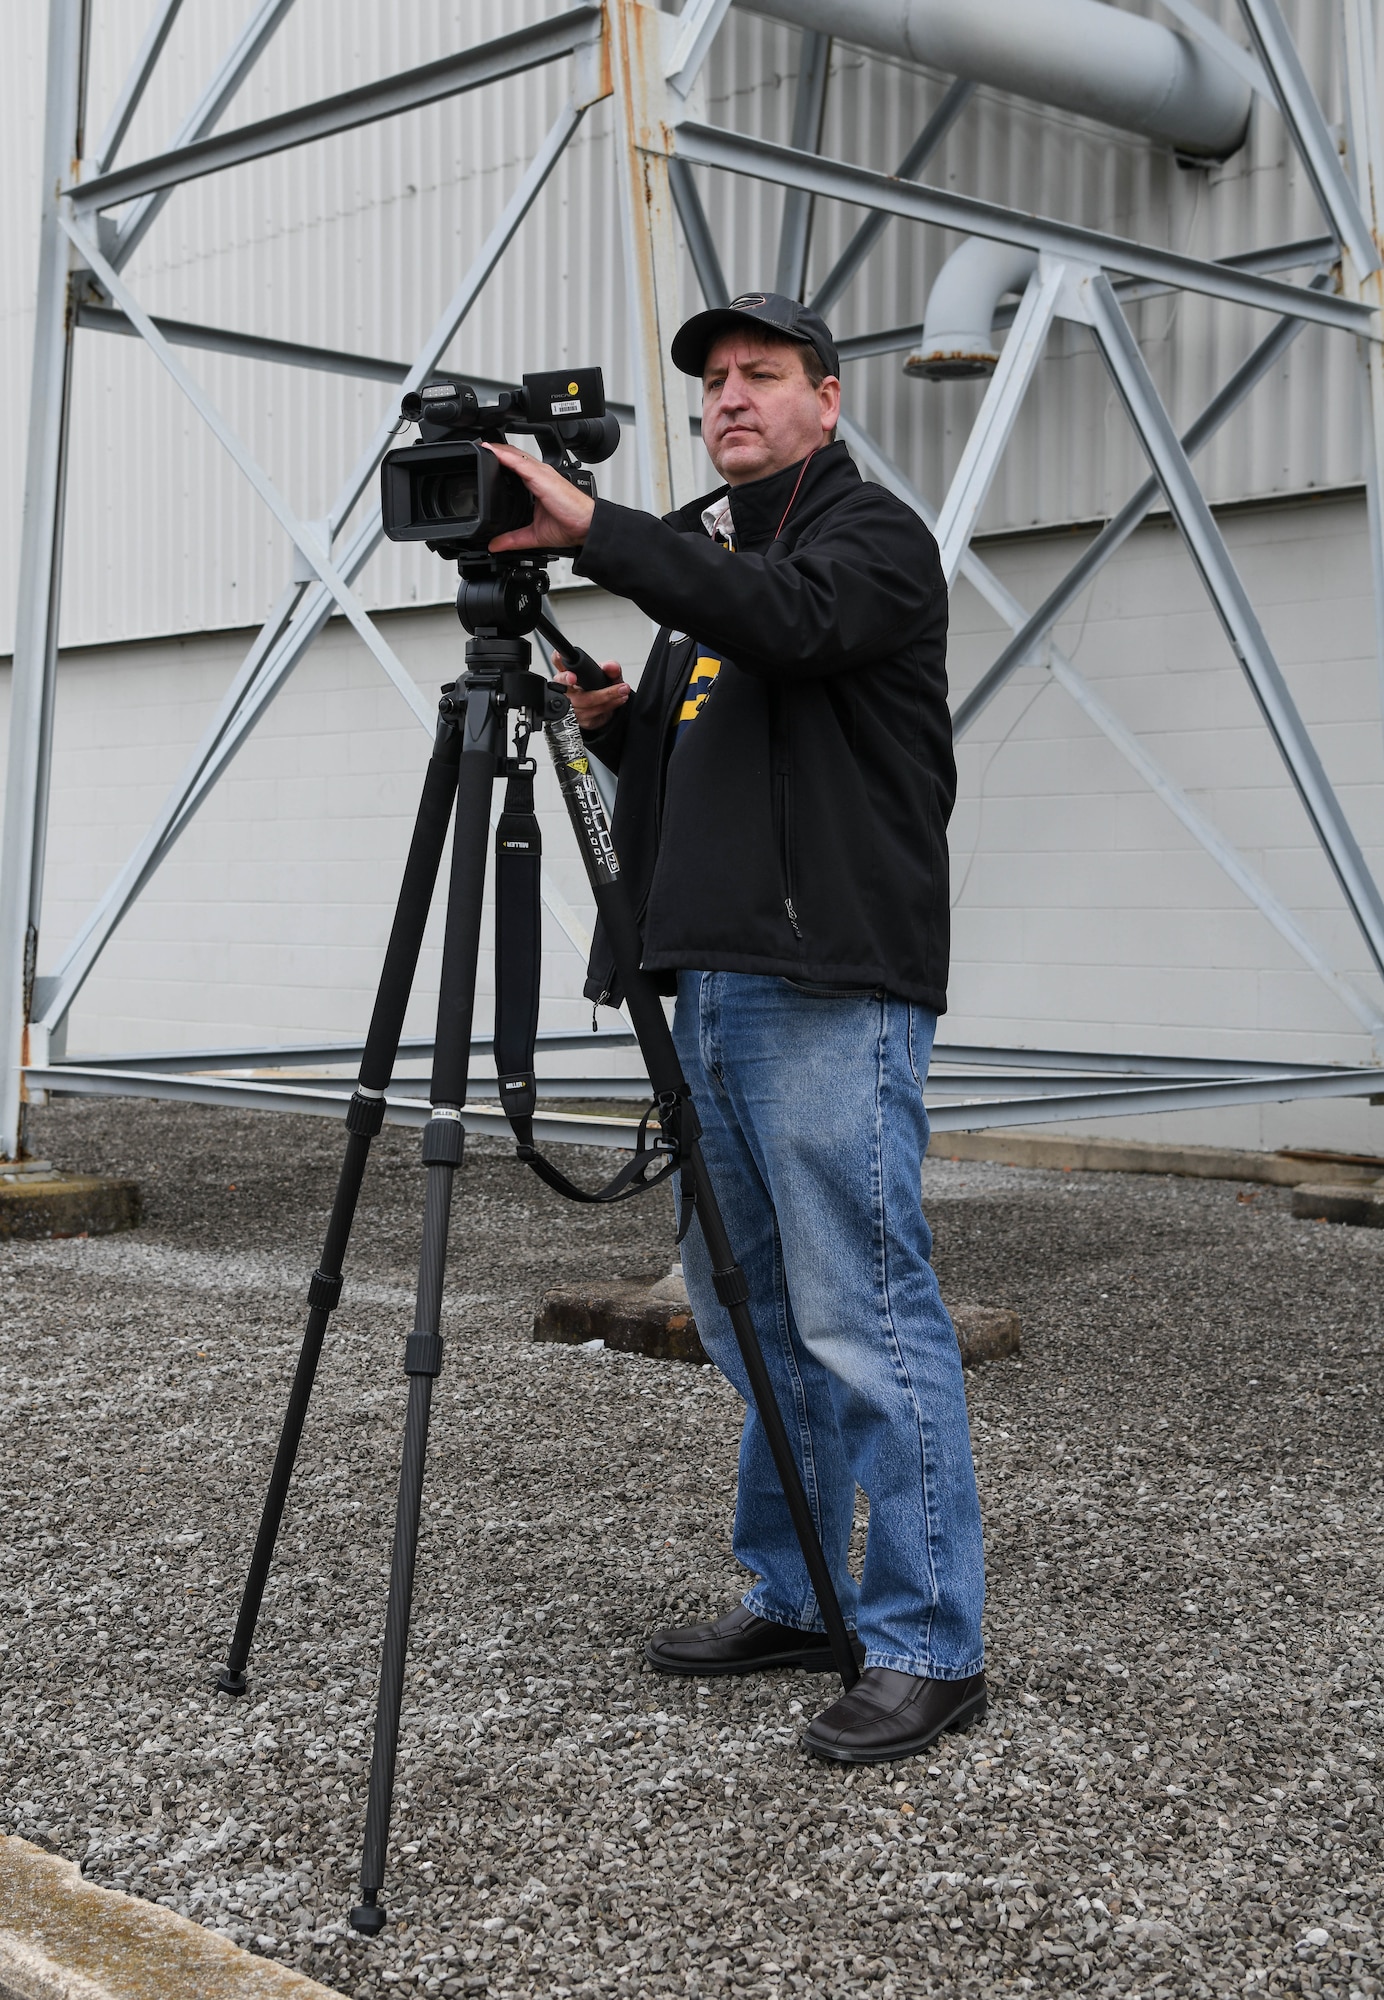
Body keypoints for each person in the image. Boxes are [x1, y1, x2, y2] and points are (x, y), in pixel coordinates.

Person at [485, 291, 986, 1764]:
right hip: (711, 982)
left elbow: (805, 628)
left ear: (829, 399)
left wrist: (594, 525)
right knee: (751, 1317)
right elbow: (740, 769)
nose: (729, 399)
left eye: (762, 376)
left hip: (824, 987)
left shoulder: (866, 541)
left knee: (859, 1313)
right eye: (711, 381)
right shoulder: (711, 578)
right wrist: (623, 729)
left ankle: (926, 1640)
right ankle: (805, 1592)